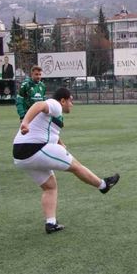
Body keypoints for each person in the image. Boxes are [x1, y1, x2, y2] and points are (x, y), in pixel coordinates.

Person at [13, 87, 120, 234]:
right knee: (76, 166)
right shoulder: (55, 105)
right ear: (63, 100)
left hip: (20, 156)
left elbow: (48, 130)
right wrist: (25, 122)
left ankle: (51, 223)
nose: (72, 104)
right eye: (70, 100)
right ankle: (103, 185)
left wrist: (60, 143)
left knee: (50, 186)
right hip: (33, 148)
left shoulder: (56, 115)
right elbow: (39, 105)